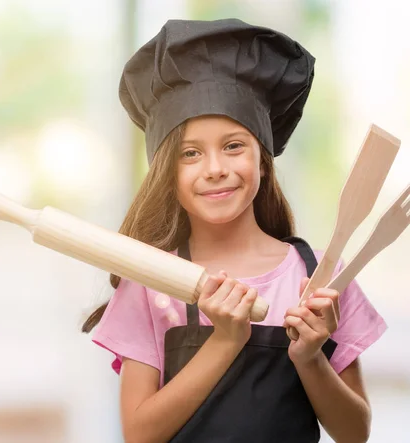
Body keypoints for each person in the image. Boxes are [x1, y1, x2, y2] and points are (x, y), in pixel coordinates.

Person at [81, 18, 387, 443]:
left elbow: (354, 433)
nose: (215, 169)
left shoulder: (321, 277)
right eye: (190, 153)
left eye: (233, 145)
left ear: (262, 159)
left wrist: (310, 356)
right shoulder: (150, 282)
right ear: (167, 173)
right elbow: (139, 435)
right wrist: (225, 340)